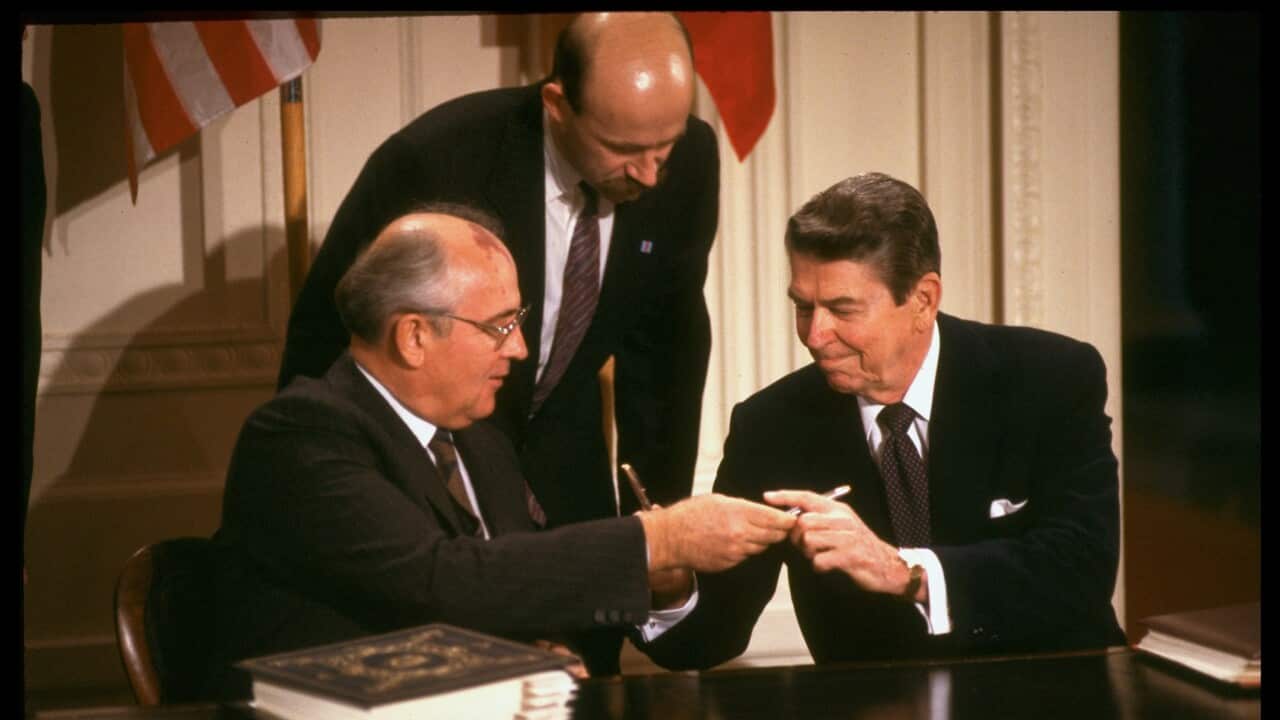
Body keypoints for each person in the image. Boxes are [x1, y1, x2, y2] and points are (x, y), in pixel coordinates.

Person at [204, 207, 794, 699]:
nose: (520, 349)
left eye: (519, 320)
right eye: (500, 325)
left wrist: (543, 648)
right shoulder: (302, 435)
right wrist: (657, 538)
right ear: (414, 336)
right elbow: (439, 580)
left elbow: (514, 582)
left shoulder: (477, 434)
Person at [640, 173, 1126, 668]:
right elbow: (710, 637)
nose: (815, 335)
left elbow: (1081, 572)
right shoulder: (770, 425)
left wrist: (903, 572)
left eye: (842, 309)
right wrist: (670, 583)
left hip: (1052, 692)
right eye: (803, 307)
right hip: (873, 703)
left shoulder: (1050, 378)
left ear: (923, 301)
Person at [278, 12, 717, 534]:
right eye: (622, 149)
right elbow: (326, 340)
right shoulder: (435, 161)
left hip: (565, 472)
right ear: (557, 105)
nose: (648, 174)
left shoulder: (690, 160)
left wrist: (660, 525)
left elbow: (666, 355)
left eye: (664, 147)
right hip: (437, 474)